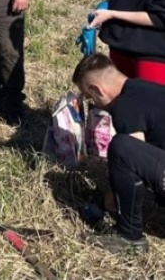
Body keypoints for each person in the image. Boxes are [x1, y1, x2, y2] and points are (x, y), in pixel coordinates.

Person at [73, 53, 165, 254]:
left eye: (90, 98)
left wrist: (105, 202)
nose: (94, 104)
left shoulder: (125, 106)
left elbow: (133, 162)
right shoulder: (146, 89)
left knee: (122, 148)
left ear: (98, 90)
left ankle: (128, 237)